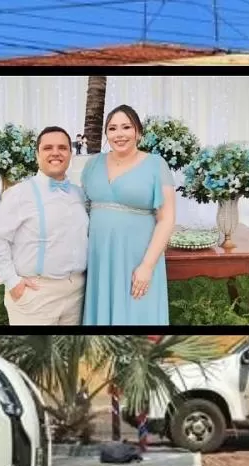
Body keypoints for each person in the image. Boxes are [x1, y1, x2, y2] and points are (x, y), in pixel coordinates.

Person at [0, 126, 90, 326]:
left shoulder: (79, 194)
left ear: (70, 154)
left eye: (62, 148)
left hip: (76, 293)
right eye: (48, 147)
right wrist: (12, 282)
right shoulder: (19, 194)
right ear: (37, 154)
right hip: (35, 294)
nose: (55, 152)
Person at [80, 104, 176, 325]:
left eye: (126, 127)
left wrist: (147, 266)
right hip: (99, 258)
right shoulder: (92, 165)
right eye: (112, 128)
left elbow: (167, 218)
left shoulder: (155, 165)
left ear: (138, 132)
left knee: (137, 315)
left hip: (138, 257)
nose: (119, 134)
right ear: (106, 134)